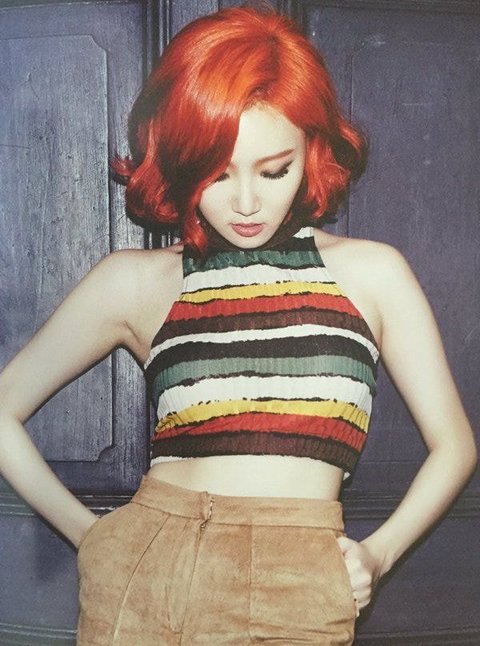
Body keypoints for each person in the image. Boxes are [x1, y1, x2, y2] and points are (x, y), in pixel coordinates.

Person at [0, 5, 477, 645]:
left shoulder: (372, 273)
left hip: (298, 579)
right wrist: (96, 539)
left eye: (274, 170)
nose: (247, 203)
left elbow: (454, 446)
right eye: (216, 174)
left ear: (312, 150)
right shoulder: (136, 281)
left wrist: (377, 555)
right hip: (148, 573)